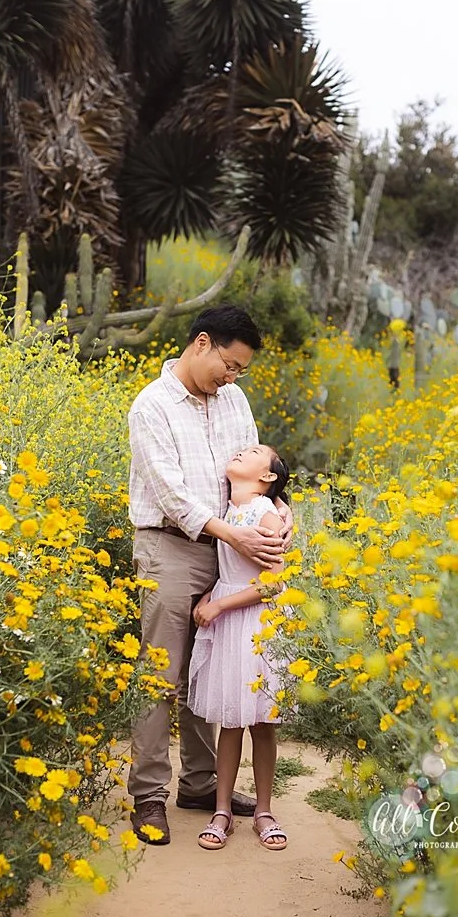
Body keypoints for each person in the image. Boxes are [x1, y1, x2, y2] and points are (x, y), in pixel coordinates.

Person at [125, 304, 290, 847]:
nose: (233, 378)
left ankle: (199, 785)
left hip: (228, 553)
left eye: (241, 370)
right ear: (202, 343)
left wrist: (277, 519)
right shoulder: (151, 407)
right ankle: (149, 794)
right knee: (161, 674)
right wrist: (235, 535)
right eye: (230, 365)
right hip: (171, 546)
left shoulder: (234, 400)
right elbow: (172, 494)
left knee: (208, 670)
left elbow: (255, 477)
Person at [188, 445, 292, 852]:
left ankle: (264, 811)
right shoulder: (228, 513)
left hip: (256, 623)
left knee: (263, 723)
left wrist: (218, 605)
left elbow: (272, 583)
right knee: (229, 720)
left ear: (266, 477)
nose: (239, 452)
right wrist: (209, 596)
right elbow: (232, 572)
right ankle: (222, 810)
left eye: (252, 452)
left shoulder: (265, 513)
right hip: (230, 619)